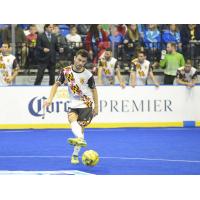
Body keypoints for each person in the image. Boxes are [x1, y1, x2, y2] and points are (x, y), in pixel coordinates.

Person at [43, 49, 98, 165]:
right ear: (74, 58)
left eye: (83, 61)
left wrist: (96, 107)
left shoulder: (88, 75)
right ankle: (80, 138)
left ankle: (75, 154)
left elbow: (94, 90)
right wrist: (49, 99)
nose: (80, 63)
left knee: (81, 129)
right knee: (72, 120)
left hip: (86, 104)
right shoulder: (66, 71)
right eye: (79, 60)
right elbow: (56, 85)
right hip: (73, 103)